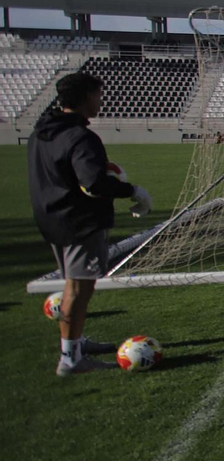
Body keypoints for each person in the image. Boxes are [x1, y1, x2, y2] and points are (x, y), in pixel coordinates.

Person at [28, 72, 153, 376]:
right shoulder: (80, 137)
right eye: (98, 94)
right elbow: (93, 183)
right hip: (79, 222)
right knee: (79, 289)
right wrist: (132, 191)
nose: (100, 100)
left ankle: (75, 342)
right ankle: (71, 359)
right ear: (86, 97)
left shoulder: (42, 132)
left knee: (72, 285)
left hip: (52, 218)